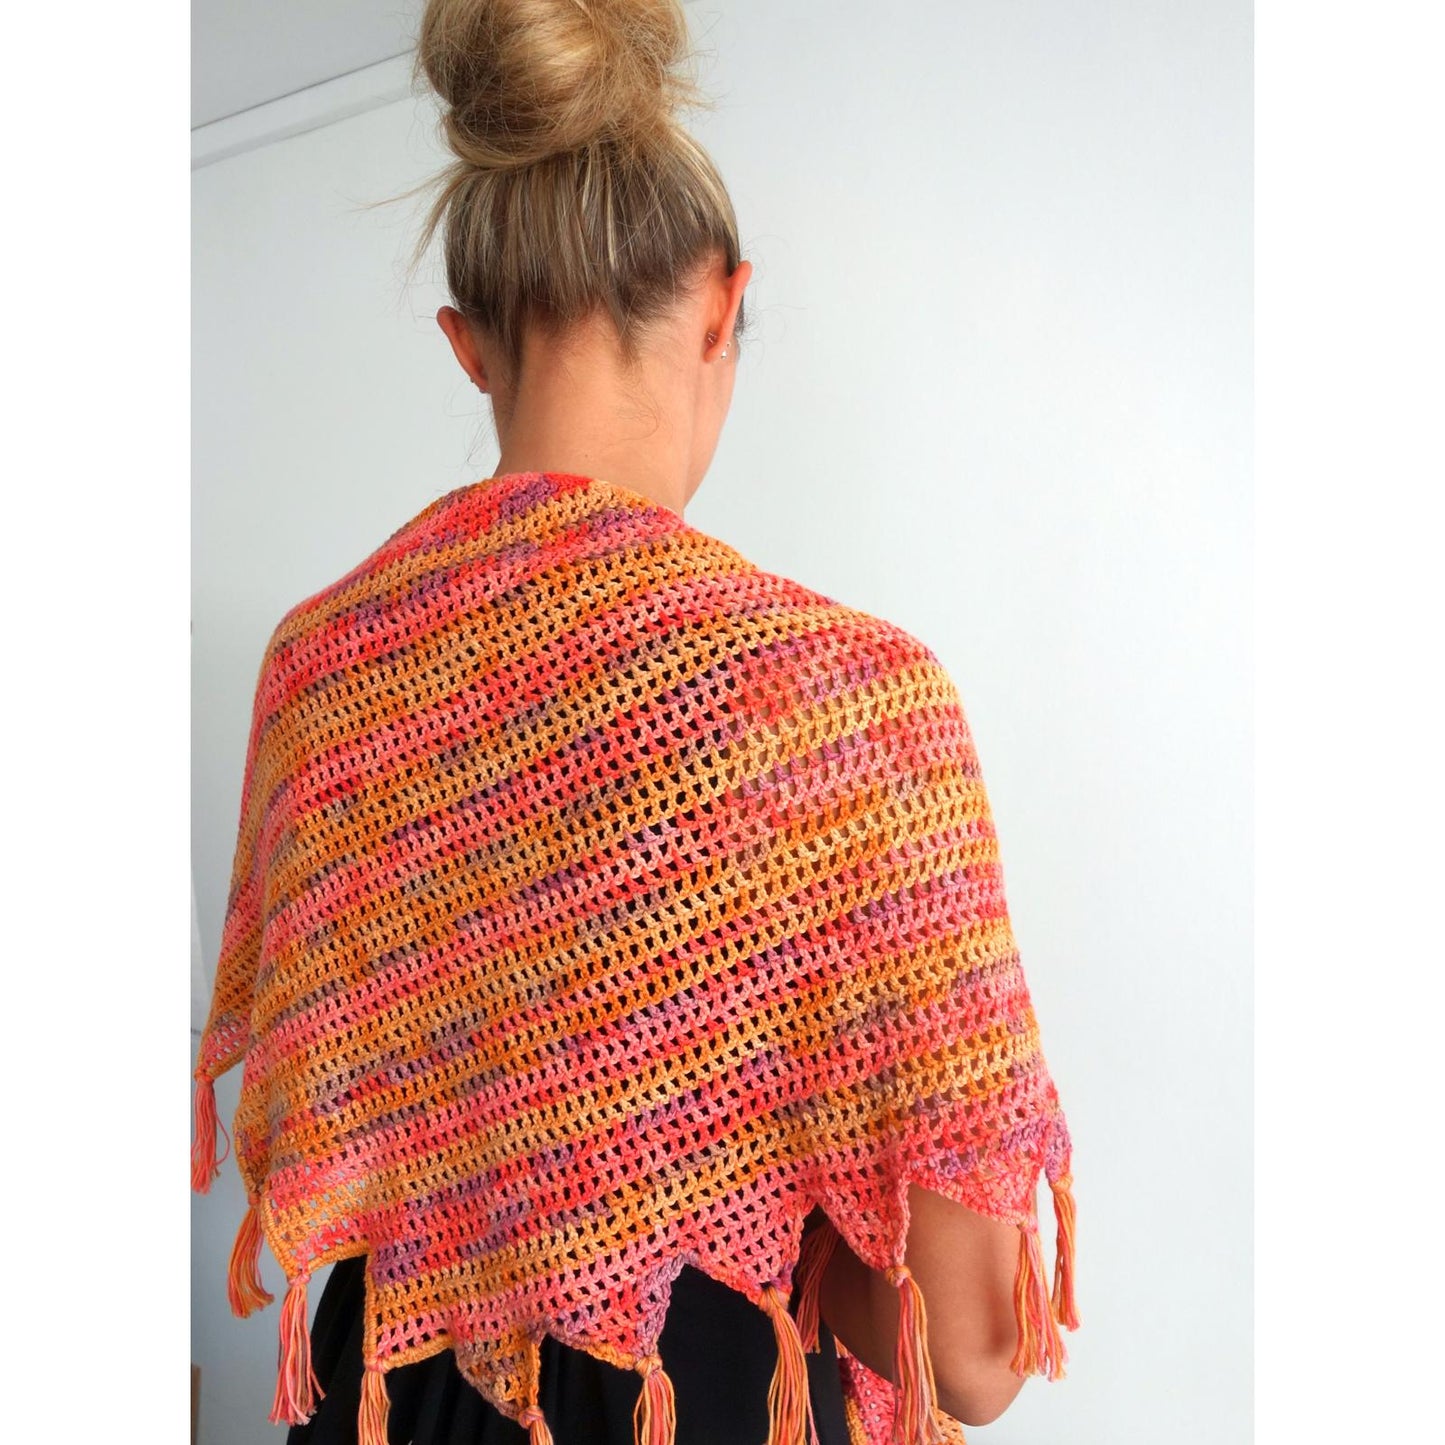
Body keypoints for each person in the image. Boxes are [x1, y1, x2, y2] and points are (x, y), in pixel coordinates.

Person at [191, 3, 1078, 1443]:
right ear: (723, 307)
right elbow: (968, 1355)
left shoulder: (315, 673)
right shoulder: (847, 701)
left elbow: (333, 1163)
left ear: (467, 345)